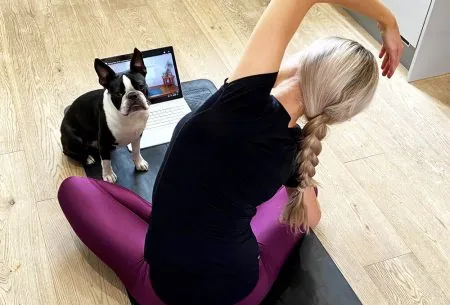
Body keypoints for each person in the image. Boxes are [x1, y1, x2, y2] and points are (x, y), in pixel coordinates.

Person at [58, 0, 403, 304]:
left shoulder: (239, 97)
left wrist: (387, 19)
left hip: (166, 287)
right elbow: (311, 219)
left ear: (305, 61)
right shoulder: (293, 151)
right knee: (296, 200)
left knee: (73, 188)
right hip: (238, 285)